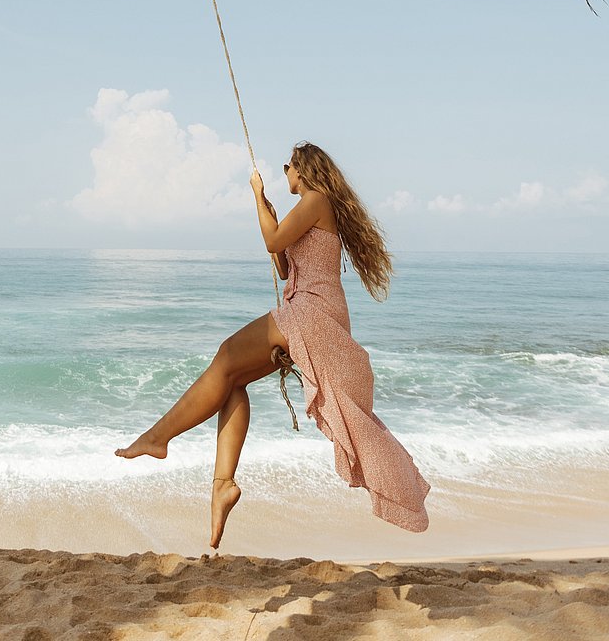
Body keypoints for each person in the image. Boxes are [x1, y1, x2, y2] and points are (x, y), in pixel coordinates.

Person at [115, 141, 430, 549]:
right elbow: (283, 264)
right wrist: (271, 215)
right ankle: (223, 485)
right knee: (232, 381)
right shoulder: (314, 207)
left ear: (302, 170)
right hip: (310, 310)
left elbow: (272, 241)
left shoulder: (316, 200)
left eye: (288, 167)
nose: (286, 174)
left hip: (310, 313)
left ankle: (158, 438)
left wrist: (256, 199)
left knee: (226, 355)